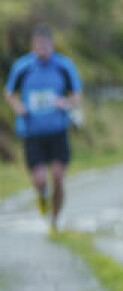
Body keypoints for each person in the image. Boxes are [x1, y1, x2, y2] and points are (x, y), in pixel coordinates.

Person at [4, 23, 83, 231]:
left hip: (57, 130)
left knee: (58, 177)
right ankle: (41, 195)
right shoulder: (23, 67)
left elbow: (76, 95)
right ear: (32, 45)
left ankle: (55, 219)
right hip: (32, 131)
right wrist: (18, 107)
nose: (42, 49)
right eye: (38, 45)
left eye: (45, 45)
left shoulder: (64, 66)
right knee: (40, 180)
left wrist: (65, 103)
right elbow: (9, 92)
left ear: (52, 45)